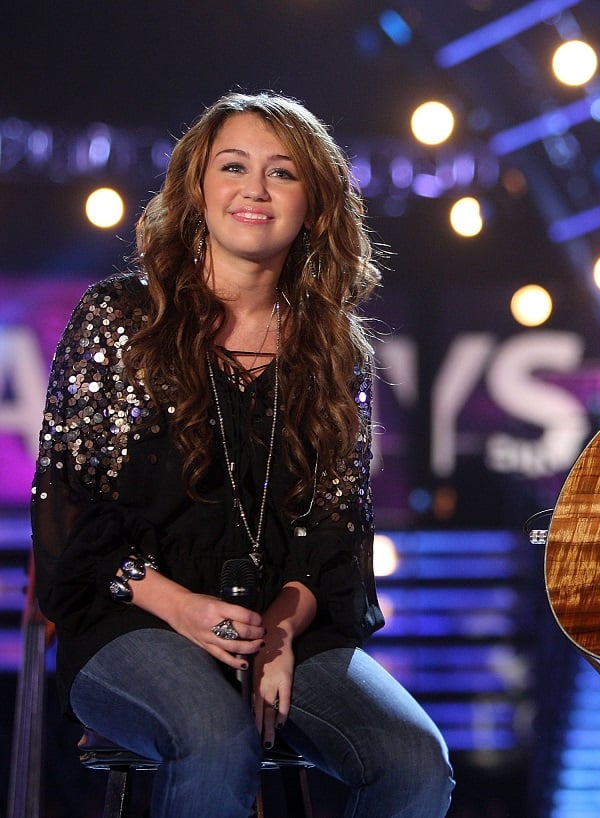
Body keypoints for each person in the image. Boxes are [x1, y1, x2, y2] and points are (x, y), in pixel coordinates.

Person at [31, 91, 455, 817]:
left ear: (315, 207)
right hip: (133, 618)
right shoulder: (120, 317)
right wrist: (183, 609)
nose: (255, 190)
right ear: (198, 191)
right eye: (233, 166)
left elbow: (332, 534)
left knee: (414, 762)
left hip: (280, 627)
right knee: (217, 734)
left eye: (282, 173)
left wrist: (283, 633)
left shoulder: (332, 350)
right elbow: (73, 515)